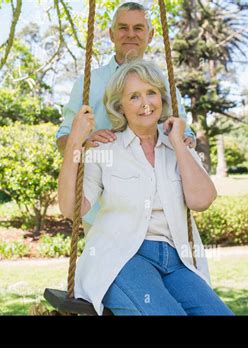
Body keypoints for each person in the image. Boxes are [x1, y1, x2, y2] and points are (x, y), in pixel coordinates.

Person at [57, 60, 234, 316]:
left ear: (162, 97)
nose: (146, 103)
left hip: (177, 262)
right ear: (121, 106)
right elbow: (71, 209)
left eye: (151, 92)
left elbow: (202, 200)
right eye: (134, 96)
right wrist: (75, 142)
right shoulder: (105, 150)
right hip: (121, 260)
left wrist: (178, 144)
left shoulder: (179, 145)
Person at [56, 2, 196, 232]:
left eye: (138, 28)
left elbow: (186, 134)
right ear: (111, 34)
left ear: (150, 35)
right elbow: (64, 137)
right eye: (123, 28)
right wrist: (84, 145)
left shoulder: (165, 84)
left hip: (159, 215)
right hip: (100, 211)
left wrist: (188, 141)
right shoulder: (88, 84)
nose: (130, 34)